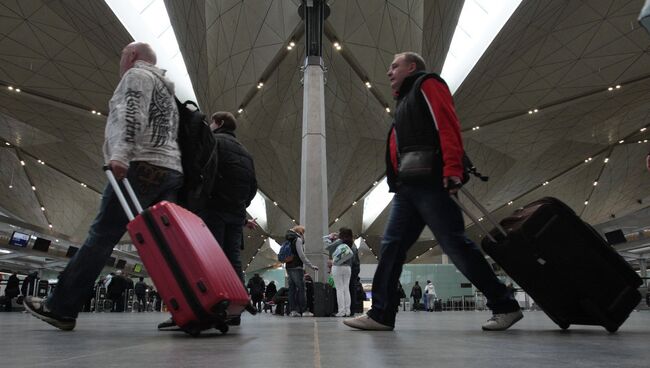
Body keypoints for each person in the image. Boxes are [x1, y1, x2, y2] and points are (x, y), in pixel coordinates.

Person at [344, 52, 522, 332]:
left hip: (432, 180)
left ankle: (505, 305)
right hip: (409, 187)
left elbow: (446, 123)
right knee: (391, 247)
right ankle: (380, 314)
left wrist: (451, 167)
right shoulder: (404, 102)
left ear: (411, 67)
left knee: (455, 245)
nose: (389, 71)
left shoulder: (426, 84)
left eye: (395, 65)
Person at [24, 42, 184, 331]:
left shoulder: (137, 76)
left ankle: (60, 307)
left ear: (132, 56)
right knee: (166, 246)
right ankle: (188, 308)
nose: (120, 61)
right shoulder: (167, 90)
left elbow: (133, 114)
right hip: (170, 169)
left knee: (102, 236)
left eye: (122, 55)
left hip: (140, 165)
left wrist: (121, 153)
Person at [158, 110, 258, 330]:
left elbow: (201, 170)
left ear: (219, 122)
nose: (210, 125)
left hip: (213, 207)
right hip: (236, 212)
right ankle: (234, 310)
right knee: (233, 259)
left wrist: (199, 198)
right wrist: (241, 207)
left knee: (205, 258)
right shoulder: (246, 153)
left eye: (213, 121)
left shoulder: (214, 141)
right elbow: (253, 187)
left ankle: (201, 308)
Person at [285, 225, 318, 317]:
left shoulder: (288, 239)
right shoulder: (297, 240)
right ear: (300, 232)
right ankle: (304, 311)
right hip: (297, 267)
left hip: (288, 267)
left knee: (292, 289)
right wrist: (311, 265)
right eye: (303, 233)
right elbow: (301, 255)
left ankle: (293, 311)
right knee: (302, 289)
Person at [324, 228, 355, 317]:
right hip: (348, 268)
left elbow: (327, 246)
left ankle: (341, 311)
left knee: (339, 289)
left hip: (337, 267)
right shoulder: (351, 243)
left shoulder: (339, 242)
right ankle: (347, 311)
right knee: (346, 289)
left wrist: (329, 236)